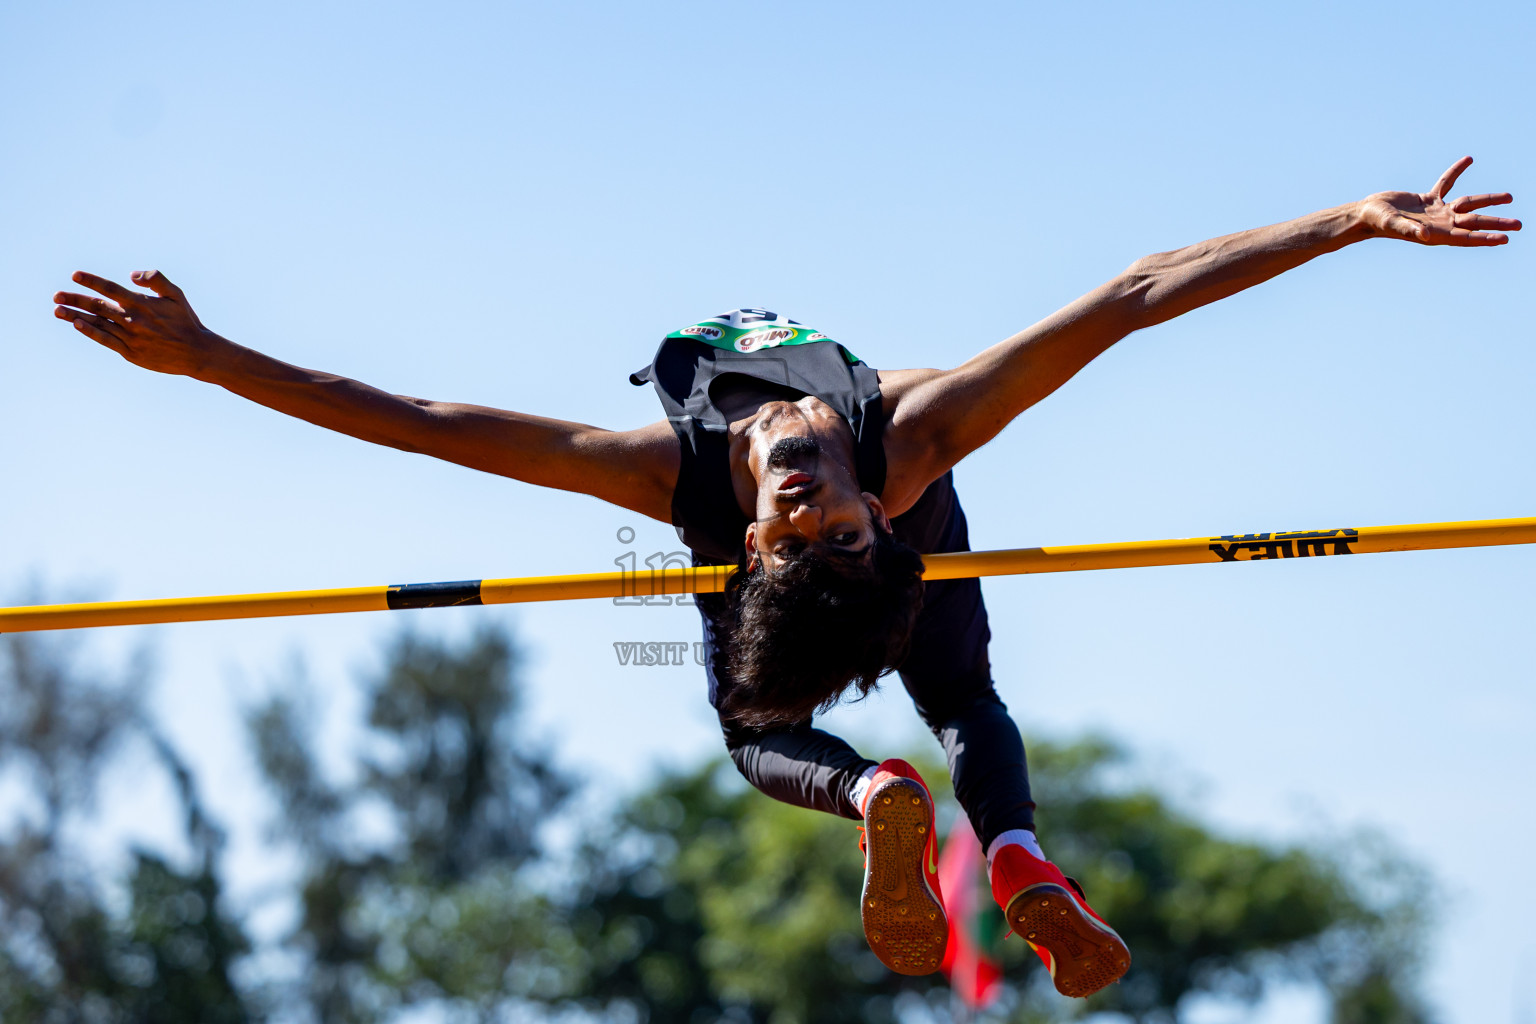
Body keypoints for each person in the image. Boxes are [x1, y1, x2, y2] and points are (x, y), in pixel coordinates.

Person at [51, 157, 1518, 998]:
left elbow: (423, 425)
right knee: (946, 694)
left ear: (763, 546)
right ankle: (974, 836)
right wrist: (1342, 223)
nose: (813, 507)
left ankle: (926, 817)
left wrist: (217, 363)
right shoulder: (908, 445)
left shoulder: (683, 480)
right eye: (833, 521)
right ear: (878, 516)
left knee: (766, 729)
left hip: (872, 560)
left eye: (805, 526)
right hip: (904, 552)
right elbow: (1125, 303)